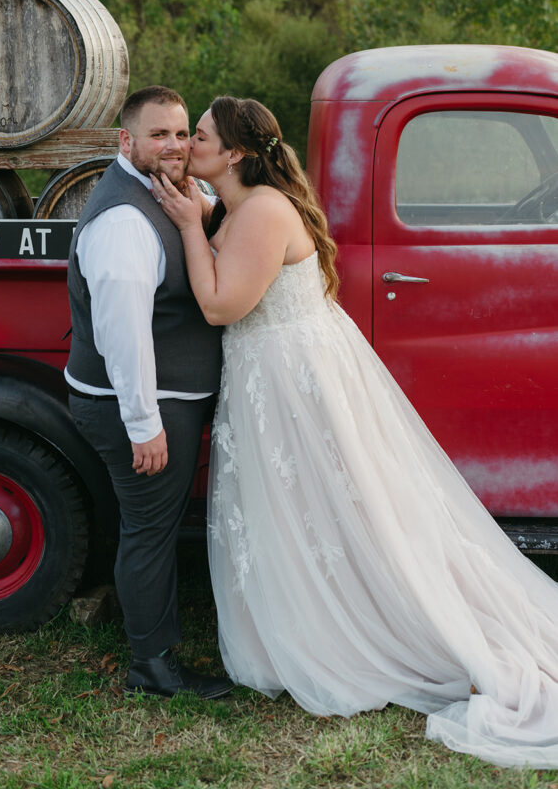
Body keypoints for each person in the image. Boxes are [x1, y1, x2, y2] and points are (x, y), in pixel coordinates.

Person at [151, 94, 558, 767]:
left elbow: (222, 303)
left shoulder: (262, 211)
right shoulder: (238, 203)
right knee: (300, 507)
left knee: (327, 505)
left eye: (200, 135)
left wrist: (193, 228)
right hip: (274, 372)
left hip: (288, 376)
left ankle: (353, 629)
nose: (190, 143)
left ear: (235, 155)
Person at [66, 85, 231, 699]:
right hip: (136, 404)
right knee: (150, 529)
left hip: (164, 399)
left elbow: (213, 203)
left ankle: (154, 654)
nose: (175, 145)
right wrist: (145, 425)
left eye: (183, 132)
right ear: (125, 140)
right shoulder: (123, 222)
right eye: (159, 134)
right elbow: (125, 337)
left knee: (153, 526)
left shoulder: (169, 190)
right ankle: (153, 667)